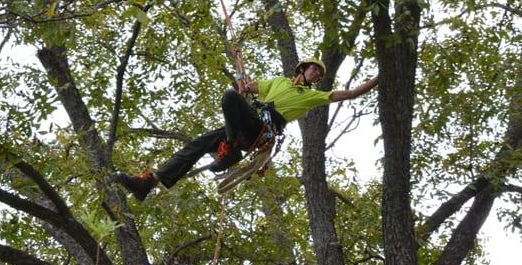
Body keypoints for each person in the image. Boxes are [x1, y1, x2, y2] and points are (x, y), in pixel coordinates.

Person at [116, 58, 378, 201]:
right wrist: (243, 80)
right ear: (302, 69)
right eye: (313, 70)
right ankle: (150, 182)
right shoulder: (277, 81)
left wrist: (380, 77)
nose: (316, 76)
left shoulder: (311, 96)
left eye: (319, 75)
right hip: (248, 122)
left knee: (229, 98)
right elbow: (248, 89)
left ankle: (229, 149)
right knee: (195, 145)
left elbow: (352, 93)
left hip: (262, 128)